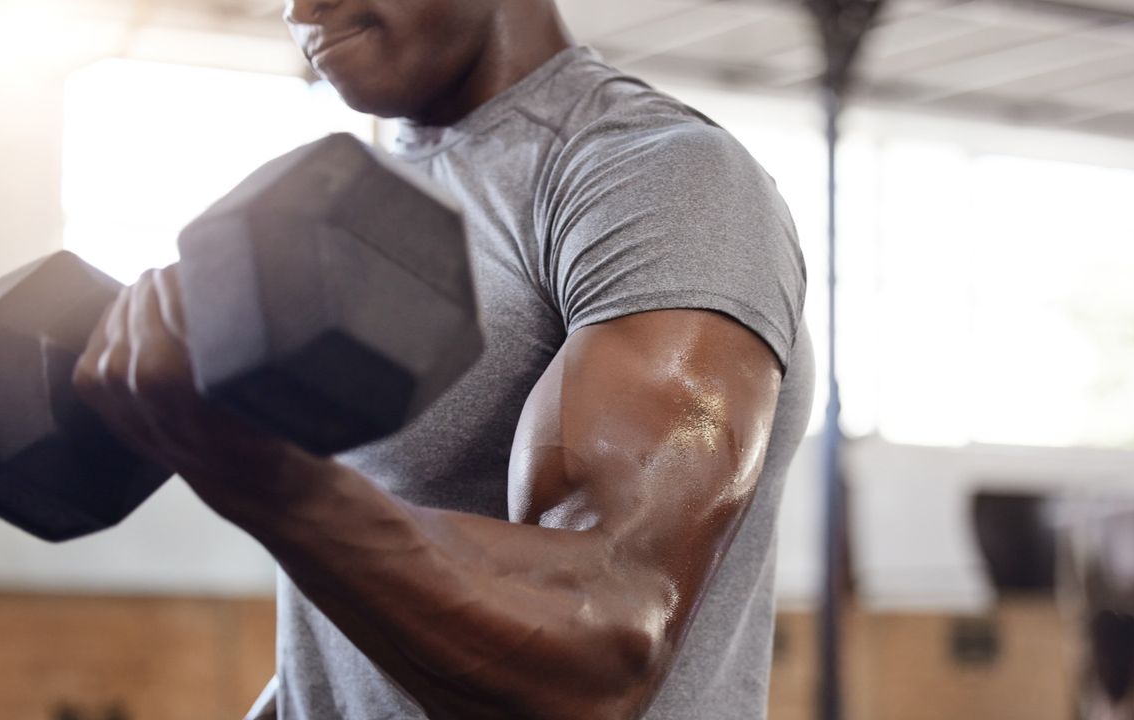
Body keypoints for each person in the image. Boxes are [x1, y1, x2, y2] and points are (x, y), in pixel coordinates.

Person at [71, 1, 814, 718]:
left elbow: (605, 642)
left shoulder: (651, 178)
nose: (302, 8)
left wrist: (267, 483)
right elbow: (356, 647)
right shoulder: (369, 206)